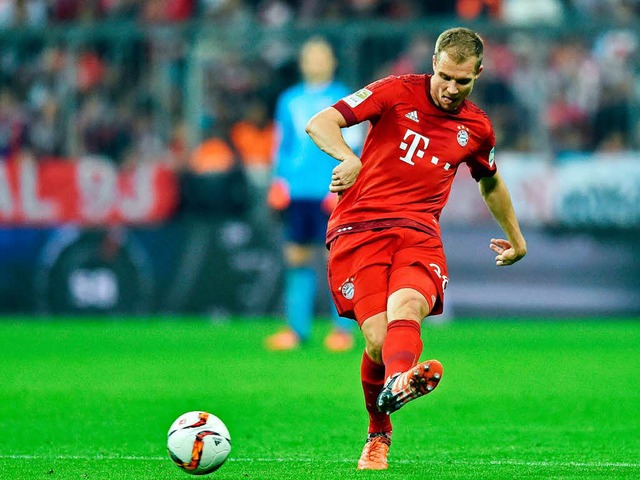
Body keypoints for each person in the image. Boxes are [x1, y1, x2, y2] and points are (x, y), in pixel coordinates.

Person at [305, 27, 527, 470]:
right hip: (360, 228)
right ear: (434, 63)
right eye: (445, 76)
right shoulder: (393, 92)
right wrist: (348, 158)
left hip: (419, 232)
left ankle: (396, 388)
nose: (450, 88)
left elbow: (490, 181)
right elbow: (321, 122)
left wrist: (517, 239)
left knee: (409, 304)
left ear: (478, 74)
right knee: (376, 340)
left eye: (462, 81)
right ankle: (381, 424)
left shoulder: (477, 128)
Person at [265, 37, 362, 352]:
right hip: (297, 192)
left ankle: (342, 330)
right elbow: (282, 144)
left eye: (321, 56)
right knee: (296, 256)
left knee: (336, 258)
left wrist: (346, 186)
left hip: (331, 190)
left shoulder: (344, 98)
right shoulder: (288, 100)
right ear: (302, 63)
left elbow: (356, 145)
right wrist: (279, 181)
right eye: (310, 57)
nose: (315, 62)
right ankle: (297, 330)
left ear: (332, 61)